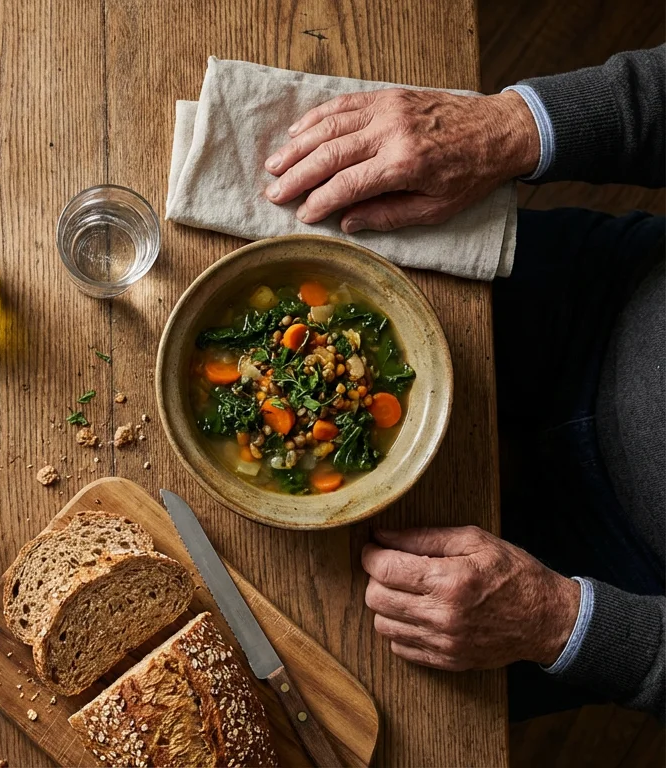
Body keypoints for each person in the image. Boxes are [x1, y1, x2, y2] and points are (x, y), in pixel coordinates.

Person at [263, 45, 664, 718]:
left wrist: (564, 625)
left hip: (620, 578)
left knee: (326, 675)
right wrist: (512, 125)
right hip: (608, 290)